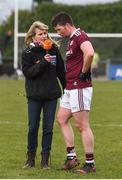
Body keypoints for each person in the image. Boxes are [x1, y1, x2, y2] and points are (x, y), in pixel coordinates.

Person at [51, 12, 96, 174]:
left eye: (59, 29)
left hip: (79, 86)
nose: (58, 33)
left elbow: (89, 52)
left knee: (82, 125)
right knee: (62, 118)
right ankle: (72, 158)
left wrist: (84, 72)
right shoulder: (71, 39)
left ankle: (90, 163)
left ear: (67, 25)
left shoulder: (79, 36)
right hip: (70, 88)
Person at [21, 21, 66, 169]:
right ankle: (30, 159)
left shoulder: (53, 49)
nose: (43, 36)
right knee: (33, 127)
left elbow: (61, 71)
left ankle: (45, 160)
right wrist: (43, 63)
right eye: (40, 34)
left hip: (51, 95)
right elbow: (28, 73)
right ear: (33, 36)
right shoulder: (27, 52)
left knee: (48, 128)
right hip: (34, 95)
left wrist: (67, 89)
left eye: (45, 33)